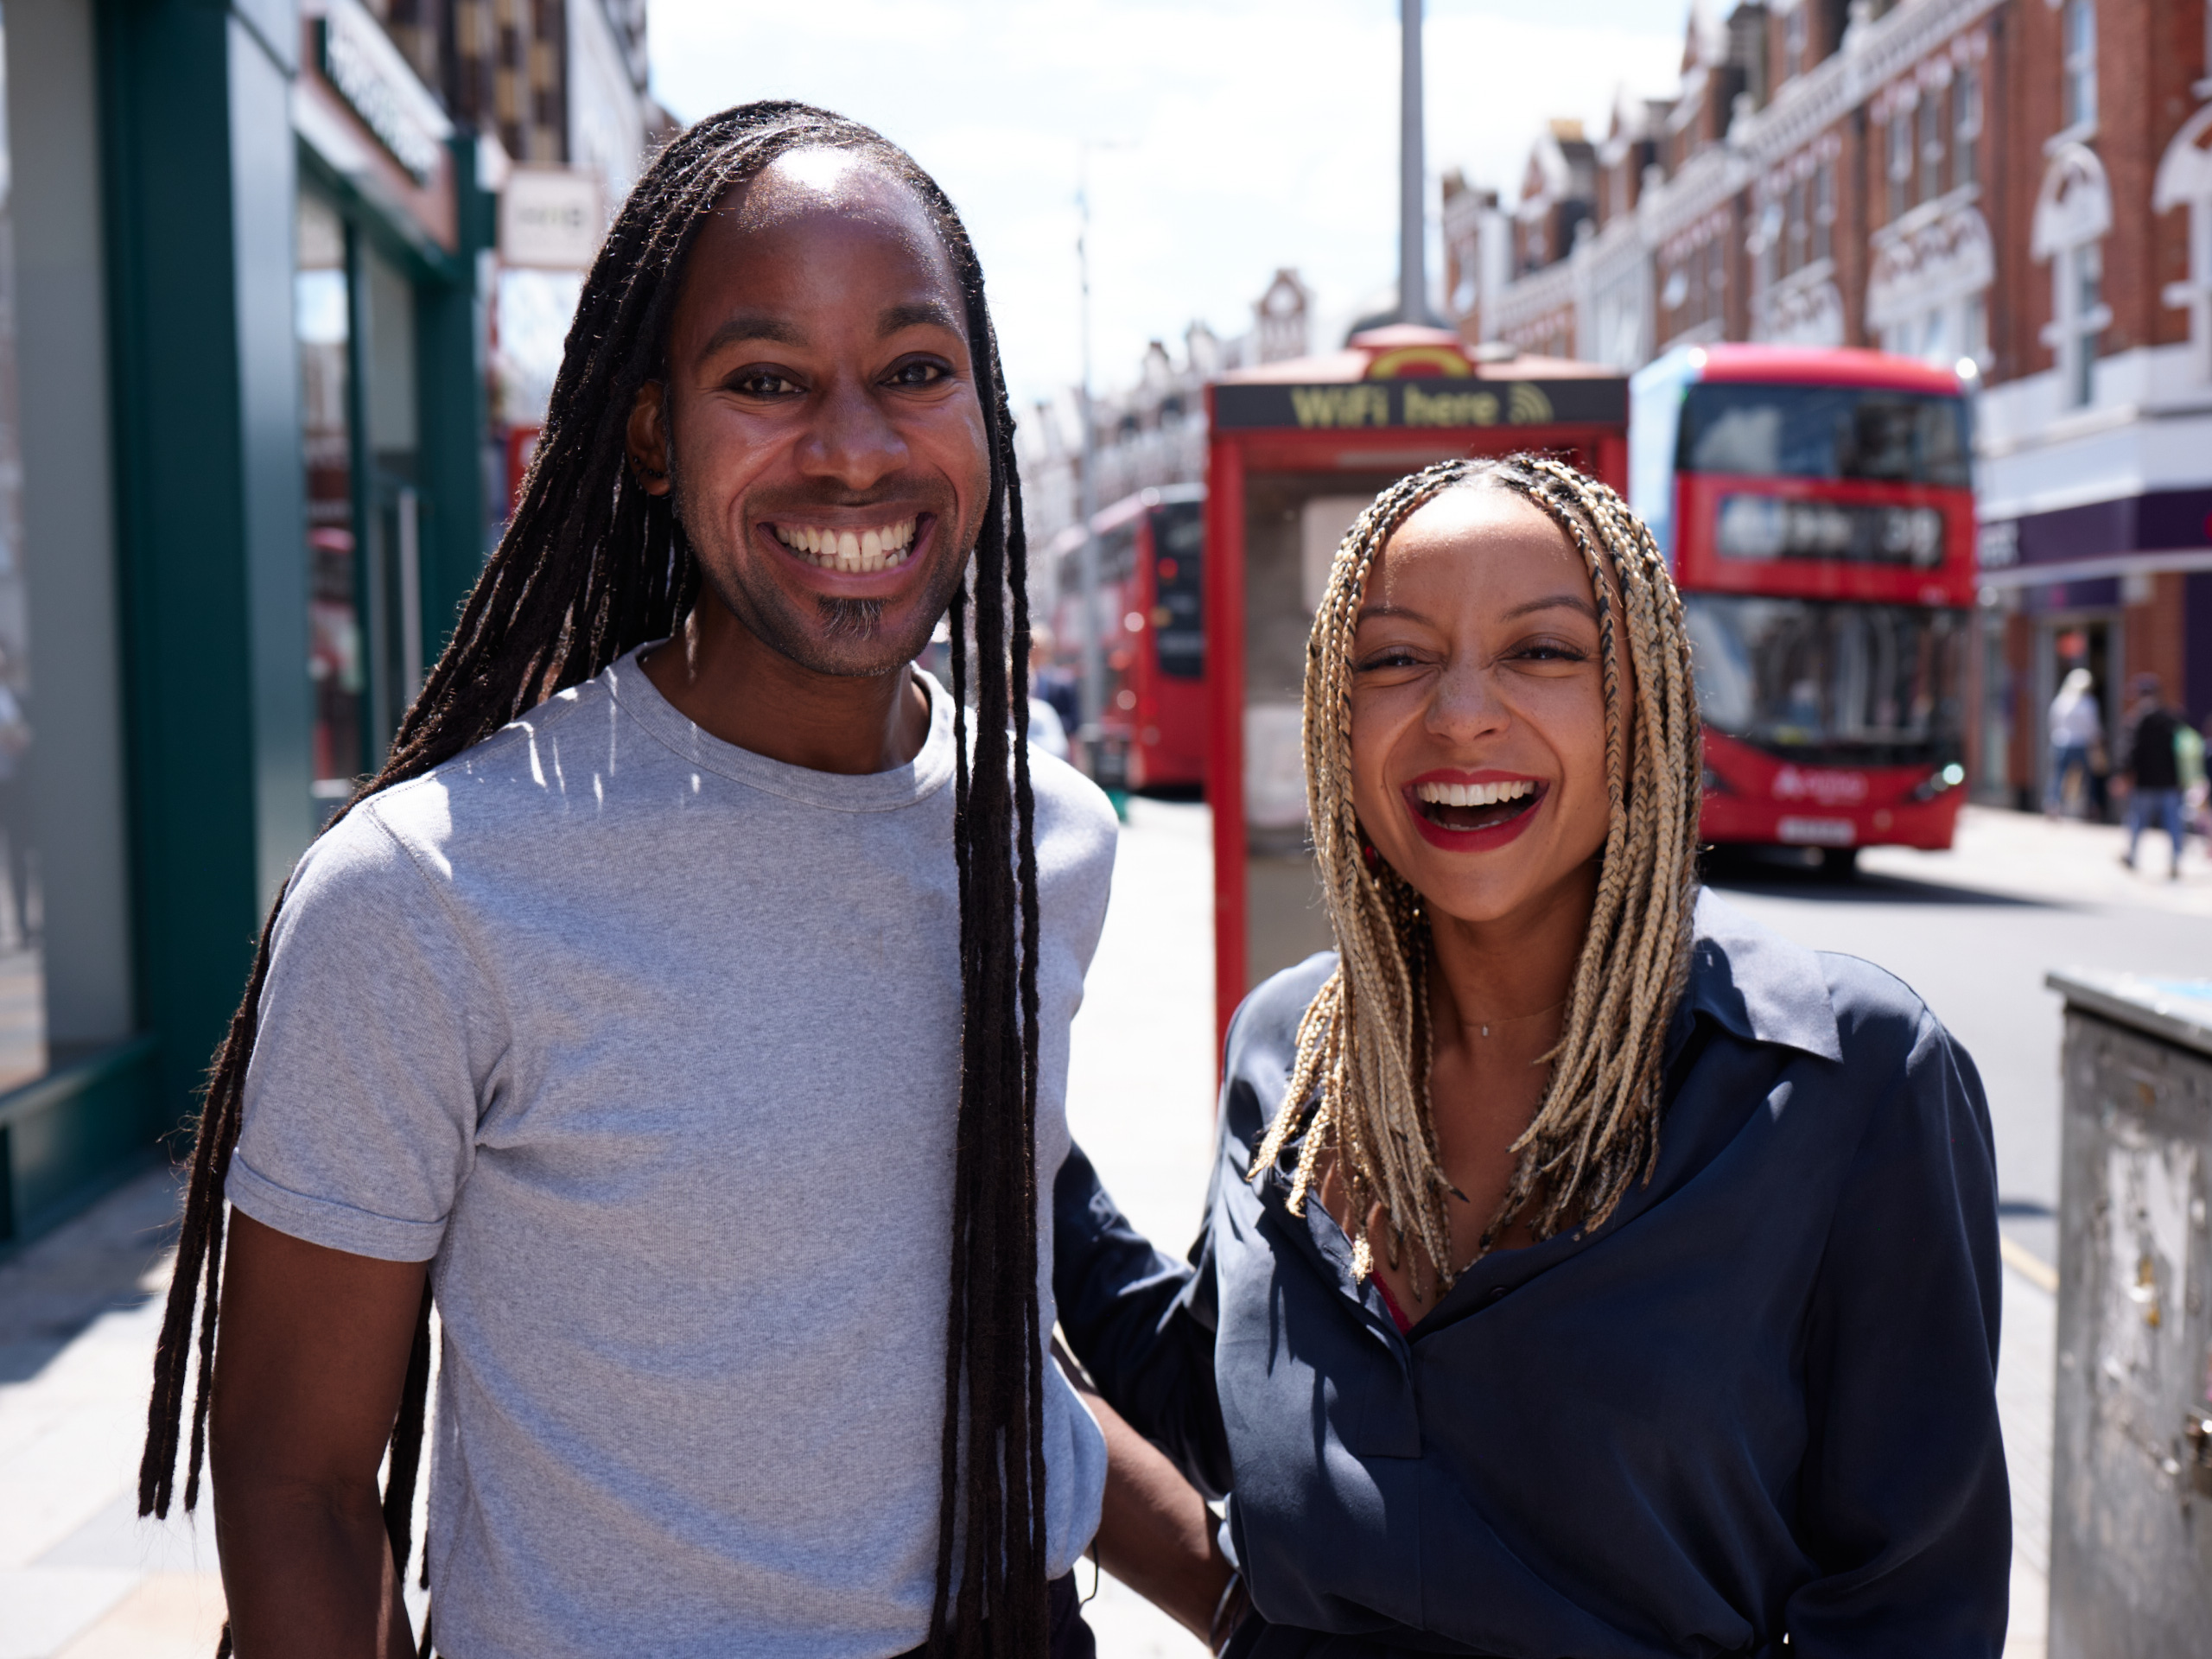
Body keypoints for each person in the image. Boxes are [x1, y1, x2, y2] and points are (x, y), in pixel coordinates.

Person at [137, 103, 1227, 1659]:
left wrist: (1252, 1607)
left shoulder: (1046, 835)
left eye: (917, 371)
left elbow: (965, 1350)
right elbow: (298, 1486)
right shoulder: (425, 894)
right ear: (650, 435)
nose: (855, 446)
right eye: (767, 381)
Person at [1057, 454, 2009, 1656]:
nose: (1461, 713)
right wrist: (1003, 1126)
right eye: (1396, 660)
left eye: (1542, 653)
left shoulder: (1849, 1077)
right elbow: (1217, 1406)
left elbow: (1912, 1613)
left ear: (1641, 706)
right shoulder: (1289, 1054)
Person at [2120, 671, 2185, 877]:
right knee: (2173, 823)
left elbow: (2130, 751)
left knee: (2139, 821)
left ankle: (2132, 855)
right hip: (2170, 781)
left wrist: (2122, 773)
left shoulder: (2137, 720)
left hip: (2146, 781)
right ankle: (2175, 860)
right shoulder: (2172, 718)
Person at [2044, 665, 2101, 818]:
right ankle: (2089, 806)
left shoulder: (2061, 700)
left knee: (2058, 776)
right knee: (2086, 777)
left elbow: (2052, 722)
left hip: (2060, 742)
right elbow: (2092, 727)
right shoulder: (2088, 703)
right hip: (2080, 743)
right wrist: (2096, 743)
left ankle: (2053, 805)